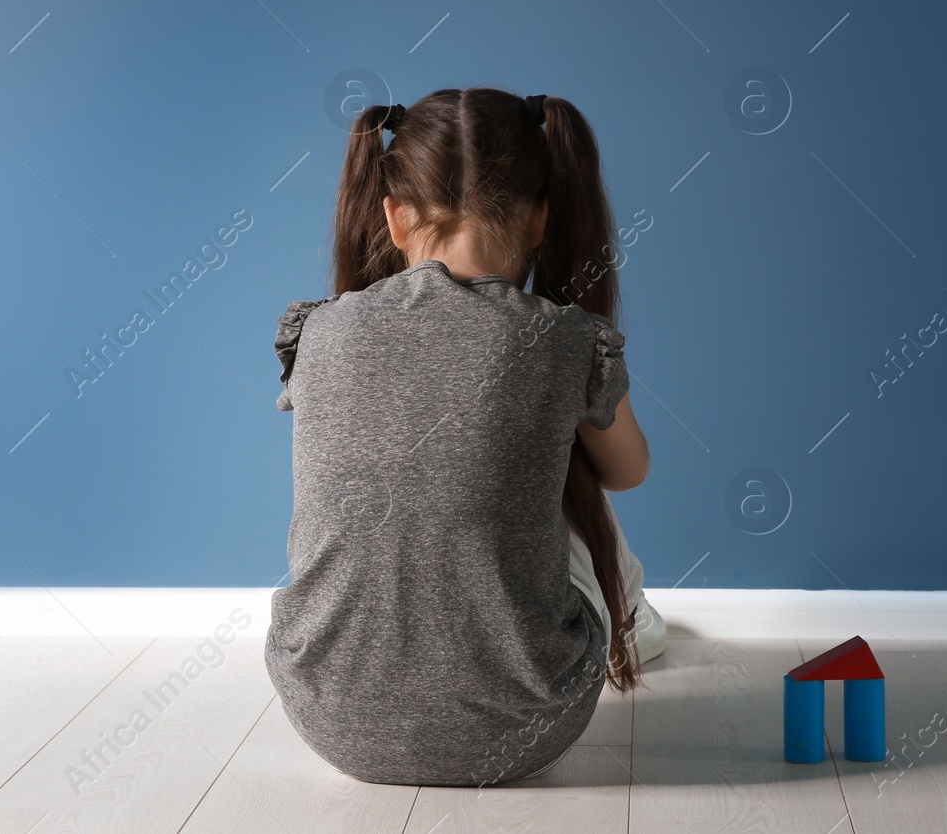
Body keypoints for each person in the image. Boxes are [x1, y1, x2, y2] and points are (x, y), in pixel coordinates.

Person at [264, 87, 666, 787]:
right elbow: (630, 472)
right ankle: (638, 621)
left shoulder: (317, 332)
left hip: (328, 718)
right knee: (579, 502)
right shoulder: (566, 339)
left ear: (392, 215)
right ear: (542, 217)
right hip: (529, 725)